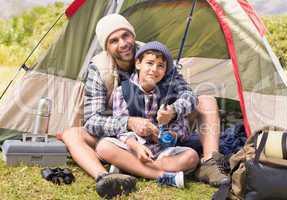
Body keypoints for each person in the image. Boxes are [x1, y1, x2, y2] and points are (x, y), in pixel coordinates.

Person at [60, 14, 229, 198]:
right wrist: (129, 122)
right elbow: (92, 121)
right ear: (107, 48)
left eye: (126, 35)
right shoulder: (99, 68)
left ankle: (210, 163)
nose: (123, 43)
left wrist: (173, 112)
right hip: (121, 137)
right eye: (114, 41)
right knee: (72, 134)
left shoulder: (154, 54)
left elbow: (187, 94)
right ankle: (107, 177)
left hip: (163, 135)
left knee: (206, 101)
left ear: (133, 35)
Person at [97, 41, 199, 188]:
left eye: (160, 66)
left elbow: (181, 127)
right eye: (149, 63)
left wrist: (172, 133)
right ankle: (162, 175)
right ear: (138, 64)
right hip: (133, 148)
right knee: (103, 146)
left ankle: (129, 168)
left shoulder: (171, 91)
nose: (154, 69)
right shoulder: (123, 91)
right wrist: (137, 147)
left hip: (162, 151)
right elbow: (120, 126)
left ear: (165, 70)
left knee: (192, 157)